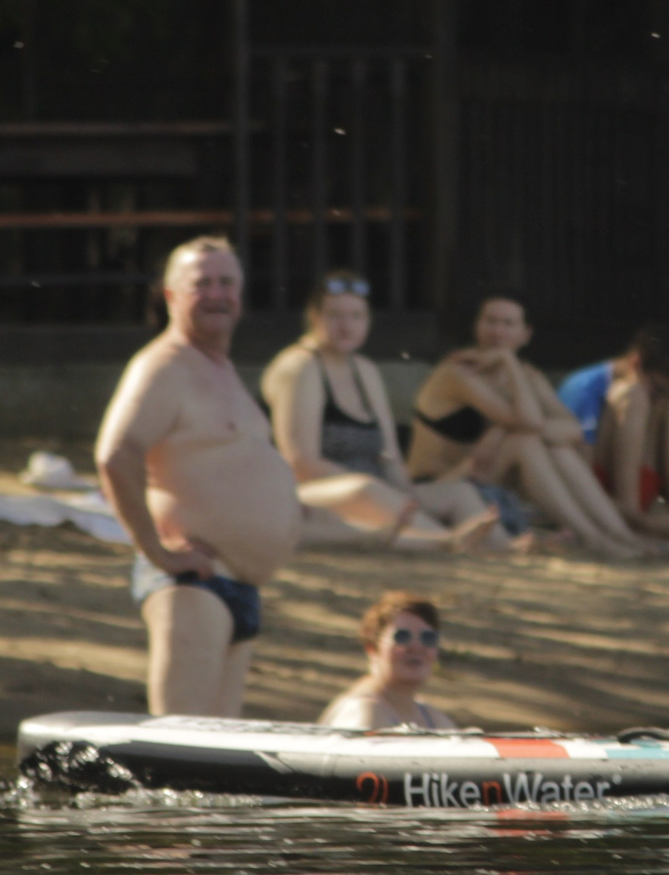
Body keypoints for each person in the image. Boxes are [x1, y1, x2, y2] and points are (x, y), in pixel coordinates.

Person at [97, 236, 304, 717]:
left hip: (239, 589)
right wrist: (156, 551)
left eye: (227, 282)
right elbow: (116, 454)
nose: (217, 293)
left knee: (219, 770)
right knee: (183, 752)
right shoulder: (164, 366)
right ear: (170, 296)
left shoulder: (223, 371)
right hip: (192, 587)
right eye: (202, 283)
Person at [262, 270, 515, 554]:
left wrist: (404, 494)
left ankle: (505, 549)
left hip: (375, 488)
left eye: (356, 317)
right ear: (314, 317)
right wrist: (383, 493)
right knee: (364, 488)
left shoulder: (365, 369)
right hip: (313, 493)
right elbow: (301, 463)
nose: (346, 326)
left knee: (458, 493)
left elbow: (390, 455)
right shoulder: (301, 367)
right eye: (335, 316)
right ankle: (449, 542)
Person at [406, 295, 647, 558]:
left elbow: (572, 430)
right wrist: (508, 361)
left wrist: (500, 428)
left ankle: (619, 534)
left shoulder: (526, 375)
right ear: (477, 326)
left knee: (558, 450)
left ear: (526, 334)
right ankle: (591, 536)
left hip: (484, 477)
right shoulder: (459, 371)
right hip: (443, 482)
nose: (498, 330)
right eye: (490, 321)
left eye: (508, 324)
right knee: (525, 442)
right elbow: (530, 423)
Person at [558, 327, 669, 545]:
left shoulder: (664, 391)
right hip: (602, 493)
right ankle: (634, 517)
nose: (658, 398)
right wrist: (645, 523)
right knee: (635, 395)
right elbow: (579, 481)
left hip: (643, 478)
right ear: (635, 363)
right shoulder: (584, 388)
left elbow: (666, 392)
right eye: (657, 389)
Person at [318, 591, 456, 730]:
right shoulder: (362, 712)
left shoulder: (433, 718)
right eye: (402, 636)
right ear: (372, 648)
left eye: (428, 638)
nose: (416, 647)